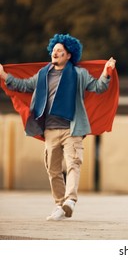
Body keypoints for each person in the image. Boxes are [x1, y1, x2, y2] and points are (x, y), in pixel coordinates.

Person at [0, 34, 116, 221]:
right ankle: (59, 204)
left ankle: (70, 201)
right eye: (53, 50)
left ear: (69, 55)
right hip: (50, 130)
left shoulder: (79, 74)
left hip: (72, 129)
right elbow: (23, 86)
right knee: (53, 170)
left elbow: (98, 87)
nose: (55, 53)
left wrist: (106, 71)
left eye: (59, 51)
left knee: (73, 164)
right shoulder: (43, 74)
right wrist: (3, 75)